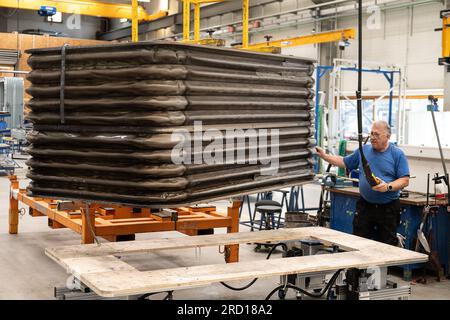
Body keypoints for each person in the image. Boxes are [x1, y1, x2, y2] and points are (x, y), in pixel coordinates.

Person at [316, 120, 410, 246]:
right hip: (366, 206)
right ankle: (359, 266)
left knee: (387, 246)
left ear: (388, 136)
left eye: (377, 134)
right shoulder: (364, 150)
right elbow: (344, 162)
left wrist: (388, 187)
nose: (372, 138)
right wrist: (324, 156)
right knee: (359, 242)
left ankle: (387, 266)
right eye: (371, 134)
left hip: (388, 208)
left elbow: (404, 180)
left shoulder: (397, 154)